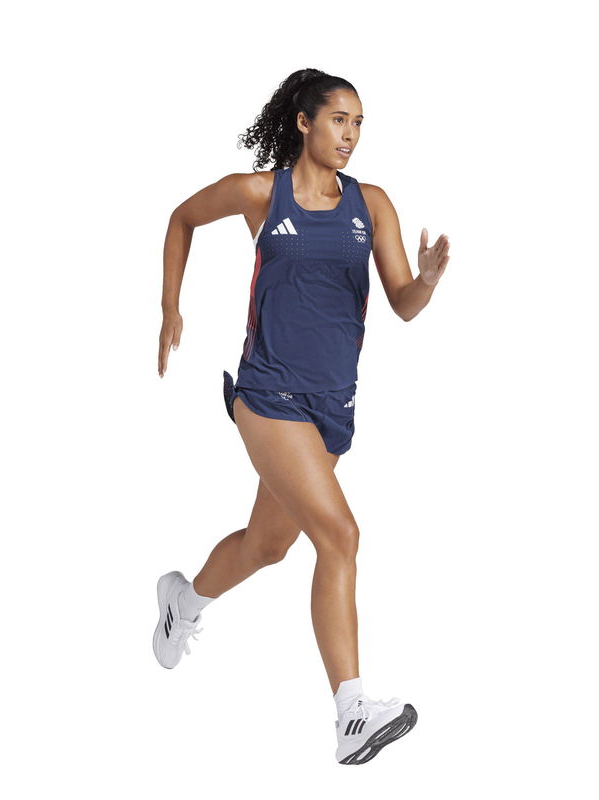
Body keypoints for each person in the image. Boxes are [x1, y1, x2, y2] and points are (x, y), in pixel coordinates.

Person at [152, 68, 450, 765]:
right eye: (339, 120)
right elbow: (182, 219)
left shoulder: (372, 204)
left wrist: (427, 282)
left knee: (267, 545)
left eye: (359, 123)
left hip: (331, 406)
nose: (350, 135)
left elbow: (402, 303)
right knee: (340, 535)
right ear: (304, 122)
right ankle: (351, 713)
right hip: (268, 395)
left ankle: (183, 602)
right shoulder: (263, 193)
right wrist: (170, 307)